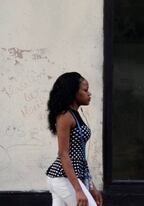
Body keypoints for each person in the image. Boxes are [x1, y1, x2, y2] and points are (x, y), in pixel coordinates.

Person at [46, 72, 103, 206]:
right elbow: (63, 153)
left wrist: (91, 187)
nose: (89, 94)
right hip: (62, 177)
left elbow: (81, 158)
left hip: (65, 178)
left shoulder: (74, 114)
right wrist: (78, 190)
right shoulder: (65, 115)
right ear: (73, 92)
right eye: (85, 90)